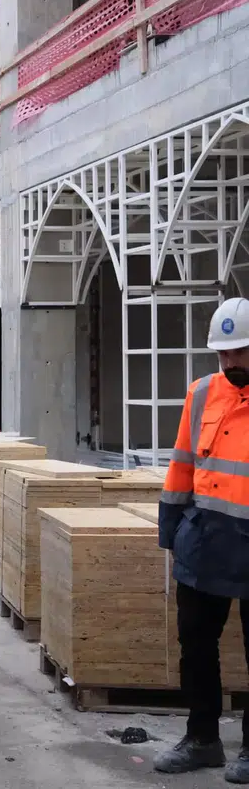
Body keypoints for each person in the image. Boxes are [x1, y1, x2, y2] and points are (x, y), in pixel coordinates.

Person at [153, 297, 249, 779]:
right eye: (223, 353)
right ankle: (202, 739)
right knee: (195, 646)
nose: (229, 362)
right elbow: (182, 463)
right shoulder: (203, 392)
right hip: (204, 541)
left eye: (239, 352)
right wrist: (171, 532)